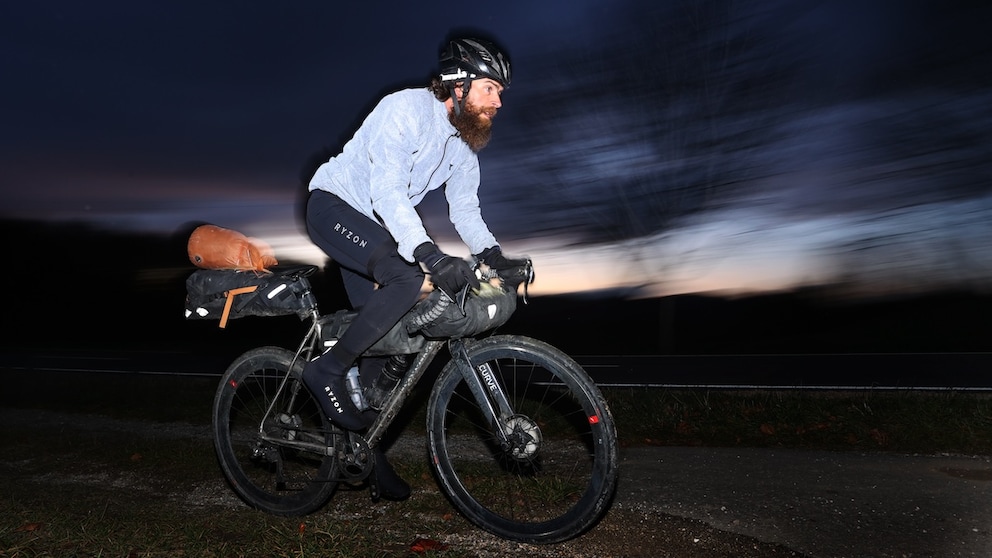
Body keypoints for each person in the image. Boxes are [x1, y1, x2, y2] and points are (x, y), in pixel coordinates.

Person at [302, 36, 530, 501]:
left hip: (377, 227)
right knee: (407, 278)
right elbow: (387, 191)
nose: (499, 101)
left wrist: (494, 257)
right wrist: (429, 255)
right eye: (490, 88)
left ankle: (364, 452)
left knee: (394, 337)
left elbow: (465, 209)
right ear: (458, 85)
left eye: (501, 93)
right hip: (335, 207)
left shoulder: (464, 146)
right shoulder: (404, 110)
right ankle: (326, 370)